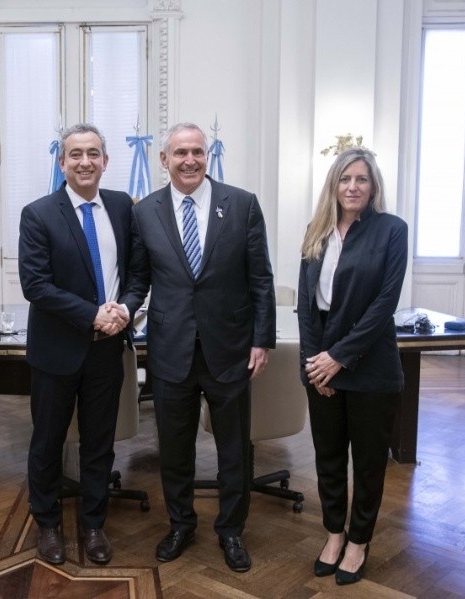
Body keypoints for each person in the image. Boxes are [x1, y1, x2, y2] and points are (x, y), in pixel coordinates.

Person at [122, 122, 276, 572]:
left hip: (230, 347)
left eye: (197, 152)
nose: (189, 160)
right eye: (180, 152)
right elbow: (139, 278)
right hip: (170, 349)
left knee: (234, 448)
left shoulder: (242, 204)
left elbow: (260, 278)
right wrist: (124, 309)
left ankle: (231, 531)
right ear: (164, 159)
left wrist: (262, 339)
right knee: (174, 448)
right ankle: (181, 524)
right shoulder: (144, 212)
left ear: (206, 156)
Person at [18, 123, 133, 566]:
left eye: (93, 153)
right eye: (76, 154)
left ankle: (93, 524)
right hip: (56, 352)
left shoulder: (122, 206)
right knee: (47, 444)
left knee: (99, 444)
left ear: (105, 160)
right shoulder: (38, 213)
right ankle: (48, 525)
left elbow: (136, 271)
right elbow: (36, 285)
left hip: (107, 350)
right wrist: (91, 313)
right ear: (62, 162)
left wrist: (126, 307)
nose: (85, 162)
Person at [298, 148, 407, 586]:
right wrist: (314, 365)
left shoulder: (391, 230)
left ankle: (359, 541)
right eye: (345, 179)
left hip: (370, 366)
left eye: (361, 179)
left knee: (367, 463)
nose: (353, 187)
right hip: (322, 365)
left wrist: (338, 358)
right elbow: (307, 307)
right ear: (334, 184)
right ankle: (333, 535)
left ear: (373, 185)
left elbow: (384, 304)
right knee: (327, 459)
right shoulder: (316, 231)